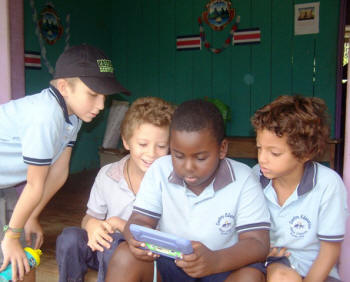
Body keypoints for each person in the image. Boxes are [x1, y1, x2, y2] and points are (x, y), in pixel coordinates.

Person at [0, 44, 130, 281]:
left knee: (22, 260)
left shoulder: (72, 116)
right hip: (9, 184)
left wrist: (32, 216)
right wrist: (10, 237)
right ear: (63, 87)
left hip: (4, 185)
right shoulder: (45, 116)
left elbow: (59, 173)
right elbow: (35, 184)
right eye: (93, 94)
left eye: (105, 97)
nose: (101, 106)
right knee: (9, 256)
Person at [106, 99, 271, 282]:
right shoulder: (160, 169)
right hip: (169, 265)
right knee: (125, 256)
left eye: (200, 158)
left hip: (222, 267)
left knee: (250, 277)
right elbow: (139, 220)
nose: (188, 167)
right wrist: (136, 239)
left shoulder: (244, 179)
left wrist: (215, 261)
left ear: (222, 149)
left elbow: (258, 243)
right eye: (178, 156)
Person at [56, 97, 175, 282]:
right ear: (126, 142)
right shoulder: (108, 174)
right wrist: (91, 224)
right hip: (106, 252)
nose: (151, 153)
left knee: (115, 245)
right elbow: (91, 216)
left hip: (145, 259)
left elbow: (168, 240)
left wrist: (121, 225)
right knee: (70, 238)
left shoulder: (171, 182)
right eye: (143, 144)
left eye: (161, 146)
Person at [250, 95, 348, 282]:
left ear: (306, 154)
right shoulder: (255, 177)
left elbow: (330, 250)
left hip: (317, 272)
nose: (262, 158)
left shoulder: (328, 184)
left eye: (274, 153)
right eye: (259, 148)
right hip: (271, 264)